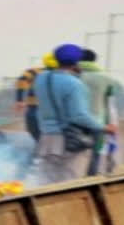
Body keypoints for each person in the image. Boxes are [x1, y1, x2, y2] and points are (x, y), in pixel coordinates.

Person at [33, 43, 114, 184]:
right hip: (68, 141)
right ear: (77, 62)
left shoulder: (41, 79)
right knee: (69, 183)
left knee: (45, 184)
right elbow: (79, 116)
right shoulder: (74, 84)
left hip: (46, 138)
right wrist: (103, 127)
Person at [79, 48, 121, 175]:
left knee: (75, 154)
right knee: (95, 153)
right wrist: (113, 123)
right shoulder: (106, 78)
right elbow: (110, 104)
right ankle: (91, 180)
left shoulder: (75, 76)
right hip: (99, 121)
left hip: (77, 121)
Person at [15, 54, 57, 142]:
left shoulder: (34, 71)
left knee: (37, 137)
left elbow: (22, 80)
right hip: (51, 112)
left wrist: (19, 100)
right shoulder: (64, 76)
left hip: (33, 111)